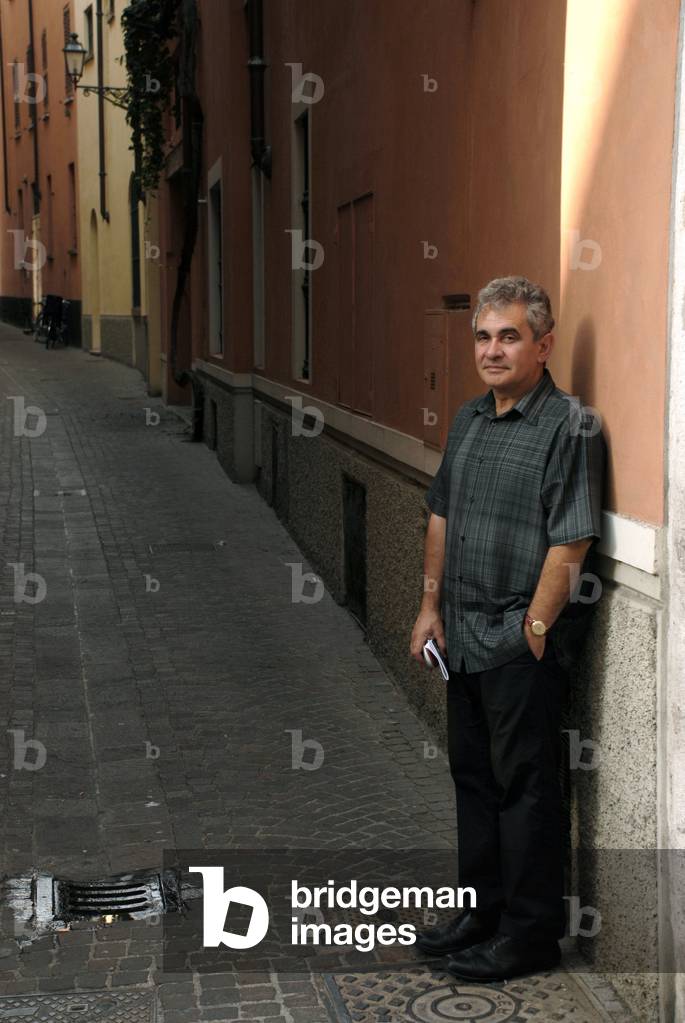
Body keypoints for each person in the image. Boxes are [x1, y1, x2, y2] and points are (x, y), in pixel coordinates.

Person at [409, 275, 605, 981]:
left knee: (525, 787)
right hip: (458, 636)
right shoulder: (466, 419)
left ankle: (527, 934)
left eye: (509, 336)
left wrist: (535, 627)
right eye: (484, 336)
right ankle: (481, 910)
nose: (492, 349)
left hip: (519, 645)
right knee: (473, 778)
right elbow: (441, 514)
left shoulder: (569, 426)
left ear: (542, 344)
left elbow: (572, 539)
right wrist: (428, 607)